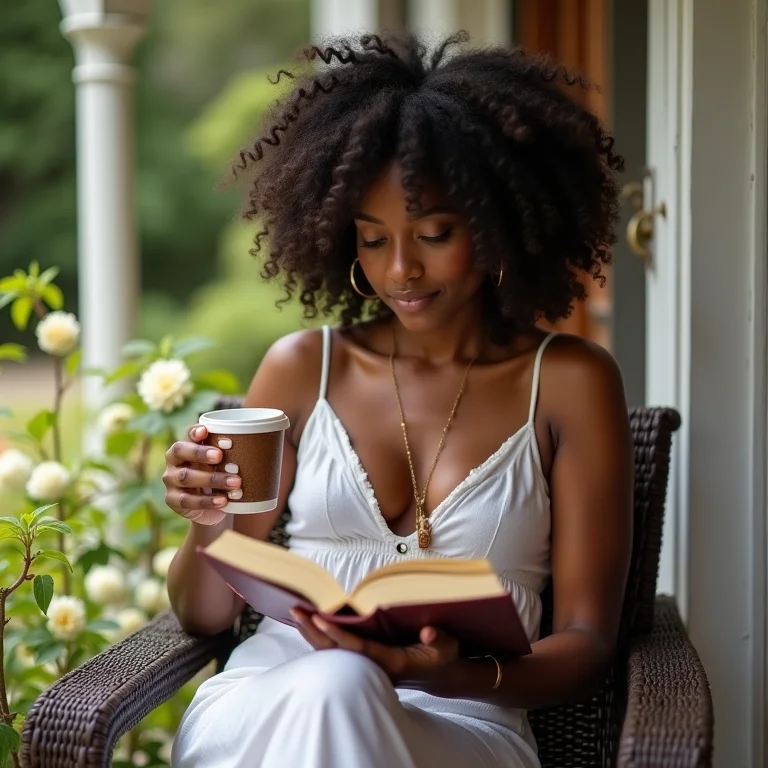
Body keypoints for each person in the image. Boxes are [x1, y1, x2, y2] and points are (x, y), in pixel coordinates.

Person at [166, 31, 633, 768]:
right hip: (265, 703)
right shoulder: (302, 367)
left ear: (496, 224)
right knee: (333, 685)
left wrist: (452, 673)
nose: (402, 269)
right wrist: (212, 529)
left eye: (435, 233)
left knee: (342, 688)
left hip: (462, 718)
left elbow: (586, 642)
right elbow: (203, 615)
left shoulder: (571, 382)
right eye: (374, 239)